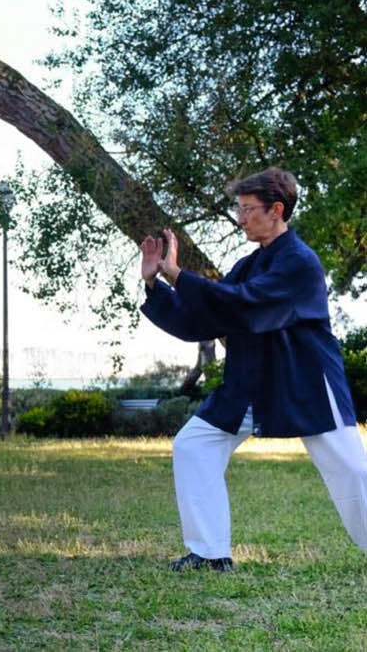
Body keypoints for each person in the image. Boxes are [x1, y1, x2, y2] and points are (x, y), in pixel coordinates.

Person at [140, 167, 367, 572]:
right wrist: (156, 285)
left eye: (248, 210)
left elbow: (245, 306)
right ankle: (209, 554)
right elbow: (207, 318)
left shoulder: (300, 262)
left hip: (306, 383)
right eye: (239, 210)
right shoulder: (249, 264)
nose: (240, 219)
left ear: (276, 209)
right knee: (194, 446)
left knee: (351, 470)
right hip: (249, 386)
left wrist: (178, 274)